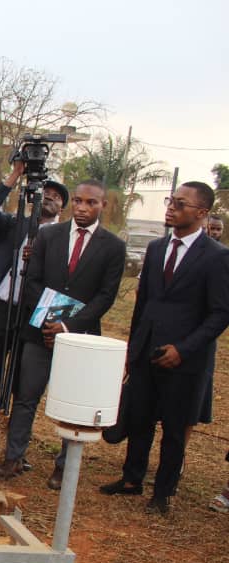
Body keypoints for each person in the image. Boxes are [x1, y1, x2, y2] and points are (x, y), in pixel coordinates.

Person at [102, 182, 229, 514]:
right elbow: (143, 303)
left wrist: (184, 350)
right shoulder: (157, 248)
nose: (171, 207)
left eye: (181, 203)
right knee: (140, 419)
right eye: (171, 201)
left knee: (174, 429)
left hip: (184, 362)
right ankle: (131, 480)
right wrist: (133, 351)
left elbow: (220, 314)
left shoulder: (217, 257)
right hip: (147, 352)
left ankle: (163, 493)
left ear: (201, 213)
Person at [0, 180, 126, 486]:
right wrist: (52, 322)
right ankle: (13, 458)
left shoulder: (114, 247)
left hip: (81, 339)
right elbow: (33, 280)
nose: (82, 207)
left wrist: (67, 327)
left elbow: (105, 296)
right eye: (78, 201)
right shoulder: (48, 235)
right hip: (40, 332)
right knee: (26, 397)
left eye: (91, 202)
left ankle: (64, 467)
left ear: (103, 205)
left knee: (72, 402)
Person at [0, 161, 68, 463]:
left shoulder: (63, 238)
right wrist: (14, 176)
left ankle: (15, 450)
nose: (50, 197)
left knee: (25, 385)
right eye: (46, 192)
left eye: (57, 197)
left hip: (34, 317)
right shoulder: (14, 223)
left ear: (62, 208)